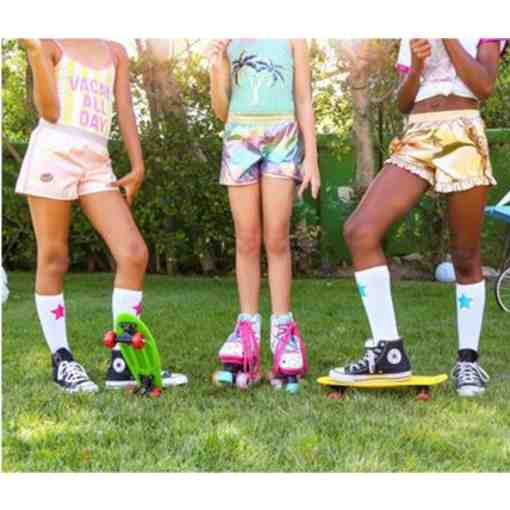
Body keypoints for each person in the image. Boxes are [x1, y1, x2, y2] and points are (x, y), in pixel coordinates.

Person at [329, 38, 507, 397]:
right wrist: (416, 65)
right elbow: (403, 101)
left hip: (463, 131)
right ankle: (389, 351)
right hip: (418, 133)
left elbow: (484, 85)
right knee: (360, 231)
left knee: (465, 254)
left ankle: (468, 361)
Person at [16, 39, 186, 393]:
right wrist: (35, 54)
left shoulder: (115, 52)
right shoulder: (49, 43)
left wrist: (137, 164)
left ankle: (123, 362)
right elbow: (49, 112)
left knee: (133, 253)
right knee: (54, 256)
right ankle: (62, 358)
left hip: (96, 161)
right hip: (53, 152)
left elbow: (124, 108)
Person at [208, 39, 319, 390]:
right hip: (238, 137)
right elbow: (221, 111)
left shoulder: (293, 36)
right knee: (247, 239)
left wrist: (312, 157)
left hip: (283, 137)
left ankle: (284, 333)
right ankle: (247, 335)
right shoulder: (227, 37)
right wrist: (216, 69)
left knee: (276, 238)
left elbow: (303, 98)